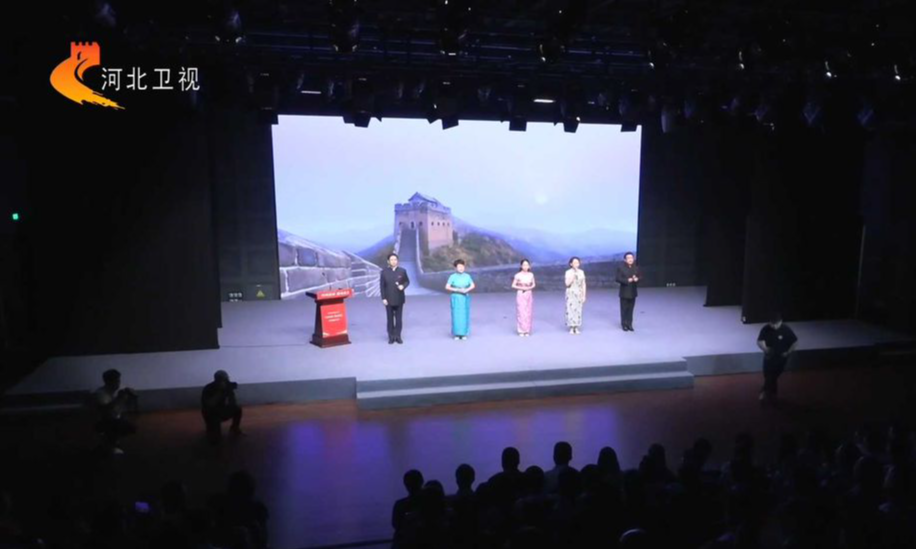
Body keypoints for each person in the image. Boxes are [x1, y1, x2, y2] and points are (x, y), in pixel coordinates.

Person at [92, 369, 138, 455]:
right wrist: (120, 398)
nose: (118, 383)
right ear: (108, 382)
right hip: (103, 421)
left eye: (118, 380)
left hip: (114, 418)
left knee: (129, 426)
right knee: (117, 425)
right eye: (116, 381)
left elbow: (131, 402)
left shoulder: (116, 390)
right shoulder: (100, 394)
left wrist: (132, 395)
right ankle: (109, 445)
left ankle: (110, 443)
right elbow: (108, 413)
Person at [756, 312, 798, 404]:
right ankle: (771, 394)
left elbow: (795, 342)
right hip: (769, 356)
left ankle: (765, 392)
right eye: (772, 324)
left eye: (776, 324)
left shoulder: (786, 329)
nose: (774, 326)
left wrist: (788, 352)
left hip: (781, 357)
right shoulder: (765, 329)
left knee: (773, 376)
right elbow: (759, 341)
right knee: (768, 375)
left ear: (781, 322)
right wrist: (765, 349)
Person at [201, 370, 243, 443]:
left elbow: (232, 402)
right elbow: (210, 404)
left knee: (237, 409)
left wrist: (229, 393)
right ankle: (211, 430)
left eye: (227, 378)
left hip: (221, 410)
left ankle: (235, 428)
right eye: (224, 379)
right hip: (210, 413)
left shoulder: (227, 387)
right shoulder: (209, 388)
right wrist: (220, 391)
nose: (227, 380)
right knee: (215, 439)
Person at [380, 253, 410, 344]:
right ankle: (391, 337)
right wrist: (383, 298)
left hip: (399, 298)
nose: (393, 261)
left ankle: (398, 336)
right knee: (390, 319)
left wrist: (403, 286)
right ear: (388, 261)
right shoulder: (384, 272)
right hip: (388, 299)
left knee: (398, 319)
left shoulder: (402, 271)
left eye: (395, 259)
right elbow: (382, 286)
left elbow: (407, 281)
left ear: (397, 261)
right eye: (391, 260)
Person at [445, 259, 475, 340]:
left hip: (464, 297)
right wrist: (457, 290)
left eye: (462, 266)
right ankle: (456, 334)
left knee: (464, 315)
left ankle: (464, 333)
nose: (461, 268)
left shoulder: (467, 276)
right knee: (456, 316)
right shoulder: (452, 277)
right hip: (456, 297)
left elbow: (472, 285)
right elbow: (447, 287)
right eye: (459, 267)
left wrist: (466, 290)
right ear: (455, 268)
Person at [615, 252, 640, 331]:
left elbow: (640, 276)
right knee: (624, 309)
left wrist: (637, 279)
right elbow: (617, 278)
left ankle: (630, 324)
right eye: (628, 258)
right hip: (624, 292)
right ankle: (624, 324)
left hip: (633, 292)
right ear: (625, 260)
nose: (630, 259)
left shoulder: (636, 268)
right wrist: (627, 280)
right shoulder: (621, 268)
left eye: (631, 258)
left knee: (631, 309)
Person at [511, 259, 536, 336]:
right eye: (524, 265)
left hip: (529, 293)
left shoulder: (531, 275)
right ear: (521, 266)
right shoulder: (518, 275)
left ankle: (527, 330)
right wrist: (522, 287)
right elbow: (513, 285)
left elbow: (534, 284)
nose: (525, 266)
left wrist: (529, 287)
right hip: (521, 293)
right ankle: (521, 330)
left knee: (528, 311)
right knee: (521, 311)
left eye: (527, 265)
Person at [564, 257, 586, 334]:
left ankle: (576, 327)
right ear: (571, 264)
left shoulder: (581, 272)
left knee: (578, 310)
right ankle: (571, 327)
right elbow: (567, 284)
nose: (576, 264)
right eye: (574, 262)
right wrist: (573, 276)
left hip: (578, 292)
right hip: (571, 292)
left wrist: (584, 295)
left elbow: (583, 284)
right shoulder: (568, 272)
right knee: (570, 309)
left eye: (577, 262)